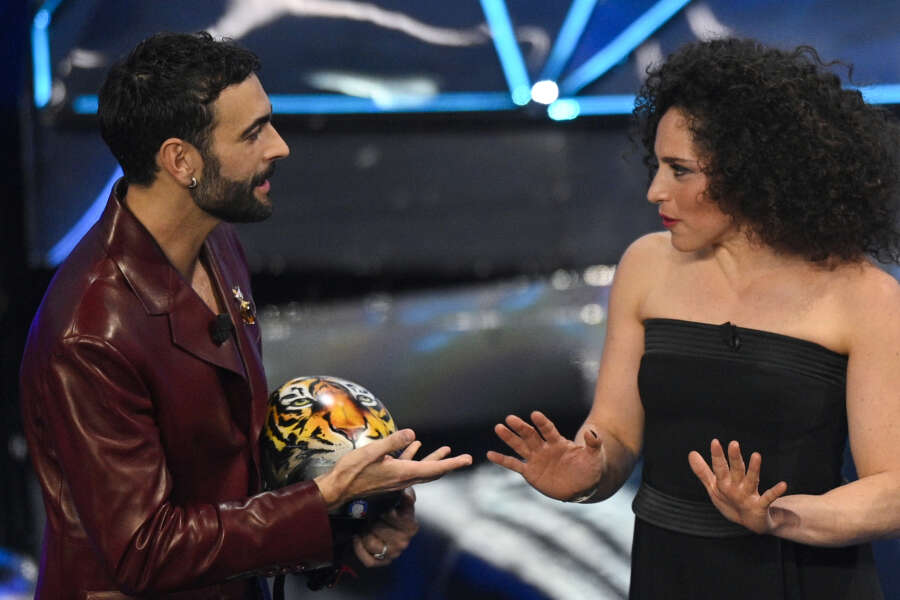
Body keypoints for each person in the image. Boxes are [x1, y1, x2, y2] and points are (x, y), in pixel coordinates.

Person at [19, 31, 471, 599]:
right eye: (254, 132)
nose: (279, 147)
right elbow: (142, 553)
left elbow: (227, 471)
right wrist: (321, 500)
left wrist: (351, 516)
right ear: (179, 159)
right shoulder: (88, 333)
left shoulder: (220, 245)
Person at [488, 37, 900, 599]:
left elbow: (893, 490)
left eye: (680, 170)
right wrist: (589, 472)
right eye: (657, 165)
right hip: (668, 573)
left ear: (752, 173)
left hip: (804, 580)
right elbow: (612, 433)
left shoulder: (864, 295)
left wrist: (777, 516)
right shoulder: (645, 265)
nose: (656, 189)